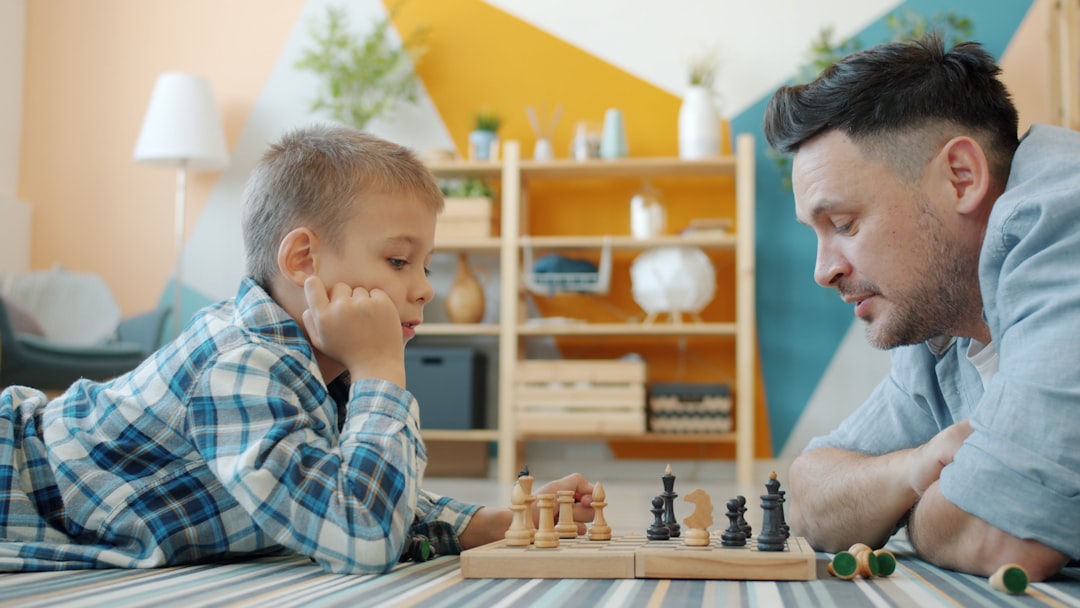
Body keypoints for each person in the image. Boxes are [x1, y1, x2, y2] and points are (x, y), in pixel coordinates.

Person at [0, 124, 594, 573]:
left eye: (426, 264)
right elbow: (361, 536)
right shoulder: (241, 367)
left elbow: (337, 486)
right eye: (397, 260)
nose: (425, 287)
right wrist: (380, 371)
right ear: (304, 260)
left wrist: (487, 522)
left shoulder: (310, 368)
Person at [763, 33, 1078, 581]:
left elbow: (1003, 534)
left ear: (961, 177)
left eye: (843, 224)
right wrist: (916, 466)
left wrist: (913, 505)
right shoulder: (948, 324)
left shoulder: (1061, 220)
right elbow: (812, 493)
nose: (823, 270)